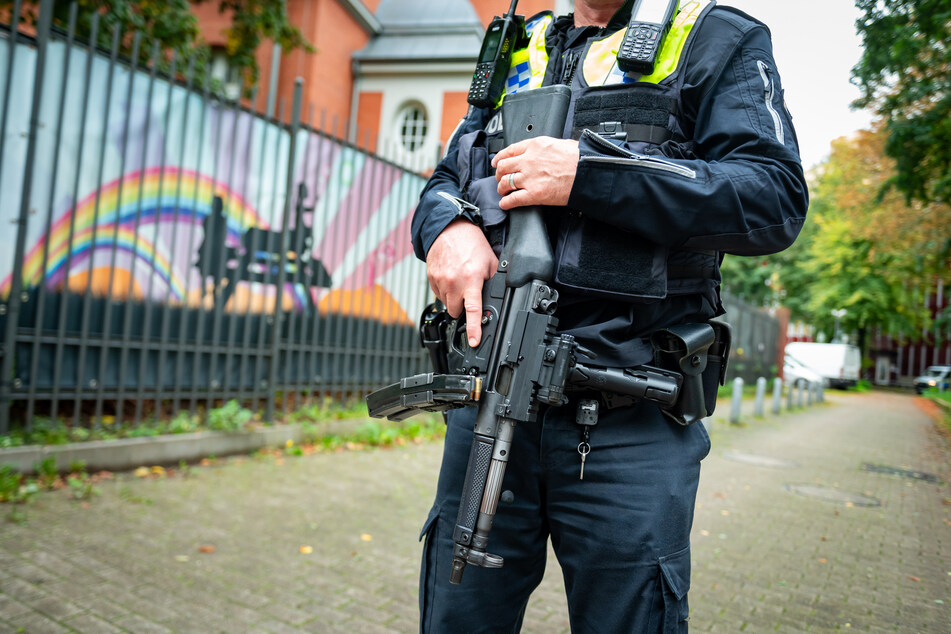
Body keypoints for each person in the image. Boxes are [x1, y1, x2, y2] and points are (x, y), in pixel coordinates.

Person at [410, 0, 808, 631]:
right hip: (491, 400)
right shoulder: (517, 43)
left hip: (628, 424)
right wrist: (445, 226)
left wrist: (591, 174)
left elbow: (772, 197)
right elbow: (446, 178)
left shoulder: (713, 37)